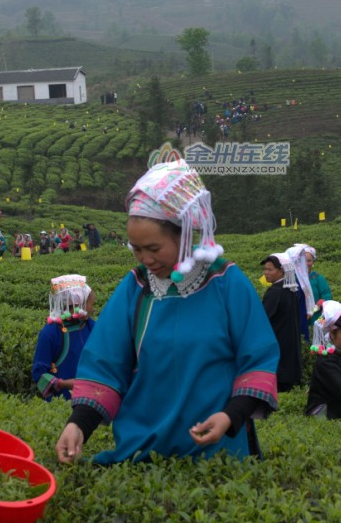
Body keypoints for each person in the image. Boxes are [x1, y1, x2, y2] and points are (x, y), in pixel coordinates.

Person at [56, 159, 278, 465]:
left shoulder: (226, 282)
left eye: (154, 248)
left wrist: (230, 415)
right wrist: (78, 424)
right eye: (136, 249)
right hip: (144, 448)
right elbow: (106, 363)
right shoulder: (136, 287)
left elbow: (257, 357)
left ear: (184, 233)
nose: (145, 258)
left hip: (219, 449)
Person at [32, 275, 96, 401]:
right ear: (78, 304)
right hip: (62, 402)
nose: (93, 309)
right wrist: (63, 384)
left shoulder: (90, 325)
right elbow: (39, 374)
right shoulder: (50, 333)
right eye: (90, 305)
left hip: (91, 399)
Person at [260, 252, 308, 391]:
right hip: (289, 341)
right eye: (265, 269)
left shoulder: (275, 291)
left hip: (278, 341)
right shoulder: (291, 289)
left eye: (270, 269)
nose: (266, 273)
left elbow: (264, 318)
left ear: (281, 271)